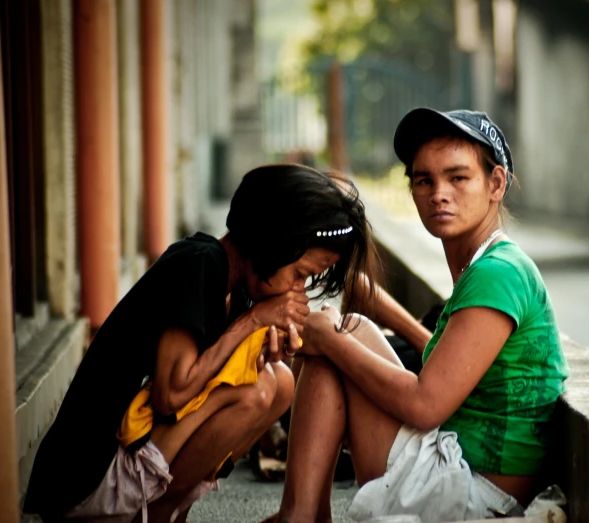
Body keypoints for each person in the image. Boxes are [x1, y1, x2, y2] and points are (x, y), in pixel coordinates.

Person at [22, 164, 380, 523]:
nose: (298, 290)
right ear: (272, 242)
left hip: (123, 467)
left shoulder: (233, 287)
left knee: (279, 382)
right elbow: (172, 394)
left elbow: (206, 385)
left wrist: (258, 349)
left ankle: (172, 511)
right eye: (300, 274)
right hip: (86, 483)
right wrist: (251, 323)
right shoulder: (199, 265)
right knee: (256, 391)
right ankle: (159, 514)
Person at [269, 108, 570, 522]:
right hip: (463, 471)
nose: (438, 193)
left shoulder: (498, 274)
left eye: (458, 177)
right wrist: (336, 336)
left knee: (334, 341)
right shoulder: (485, 267)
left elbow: (427, 406)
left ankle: (300, 515)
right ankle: (305, 513)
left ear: (495, 183)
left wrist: (329, 341)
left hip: (477, 496)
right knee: (348, 327)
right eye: (423, 180)